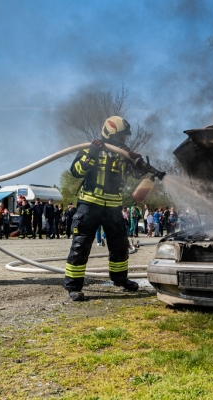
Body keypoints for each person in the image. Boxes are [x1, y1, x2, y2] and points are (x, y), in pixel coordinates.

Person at [63, 116, 149, 301]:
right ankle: (74, 286)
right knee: (81, 246)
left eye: (124, 137)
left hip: (113, 206)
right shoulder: (90, 148)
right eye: (120, 136)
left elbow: (135, 174)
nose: (123, 140)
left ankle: (120, 279)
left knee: (119, 246)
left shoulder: (123, 153)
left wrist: (139, 164)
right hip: (89, 204)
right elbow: (76, 171)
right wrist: (90, 155)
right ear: (109, 133)